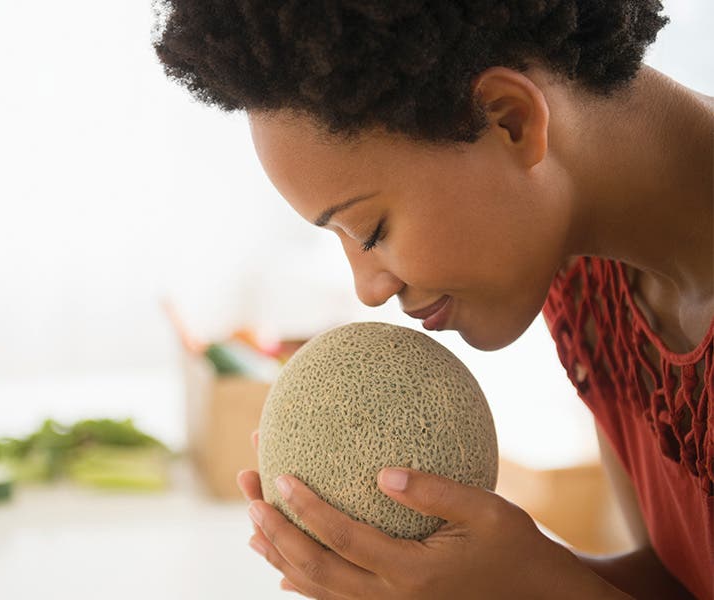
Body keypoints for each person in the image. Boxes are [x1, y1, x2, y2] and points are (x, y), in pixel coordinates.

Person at [154, 1, 713, 598]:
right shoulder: (589, 279)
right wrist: (481, 576)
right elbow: (678, 582)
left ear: (509, 119)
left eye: (371, 232)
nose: (368, 291)